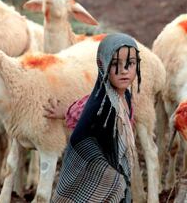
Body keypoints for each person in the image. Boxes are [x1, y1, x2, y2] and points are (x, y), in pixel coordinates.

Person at [50, 33, 141, 203]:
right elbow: (80, 136)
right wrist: (112, 177)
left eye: (131, 63)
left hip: (114, 171)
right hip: (91, 174)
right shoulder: (102, 104)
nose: (124, 70)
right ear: (102, 64)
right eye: (115, 63)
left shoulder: (125, 97)